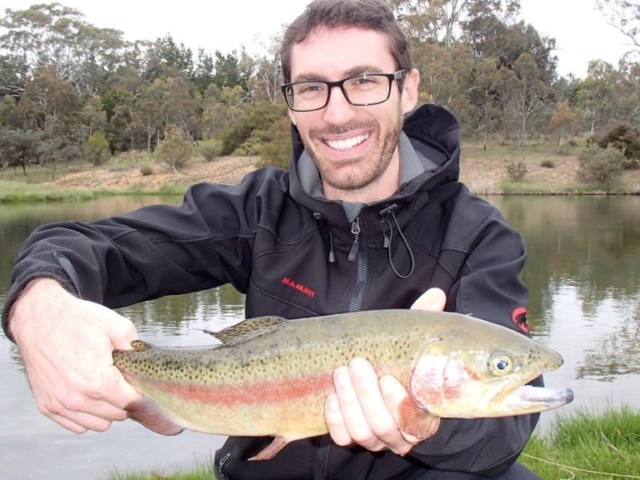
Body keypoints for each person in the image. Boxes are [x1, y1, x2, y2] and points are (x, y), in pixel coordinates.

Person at [1, 0, 543, 478]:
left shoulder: (478, 237)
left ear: (408, 90)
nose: (337, 112)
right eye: (311, 88)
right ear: (290, 102)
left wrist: (425, 424)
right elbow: (80, 244)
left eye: (363, 80)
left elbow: (503, 435)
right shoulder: (256, 210)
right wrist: (38, 308)